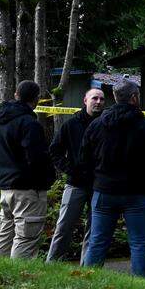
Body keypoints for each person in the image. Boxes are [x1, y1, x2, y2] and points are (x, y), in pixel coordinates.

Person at [79, 80, 145, 276]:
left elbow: (84, 159)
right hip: (137, 193)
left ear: (115, 98)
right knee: (139, 243)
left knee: (97, 241)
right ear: (134, 98)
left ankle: (87, 282)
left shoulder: (97, 125)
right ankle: (141, 286)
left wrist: (93, 184)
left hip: (104, 190)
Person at [0, 80, 54, 259]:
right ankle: (19, 276)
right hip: (28, 190)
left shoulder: (0, 122)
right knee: (26, 239)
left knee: (5, 235)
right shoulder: (29, 123)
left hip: (6, 187)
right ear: (36, 99)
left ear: (16, 95)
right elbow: (37, 158)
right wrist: (47, 178)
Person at [45, 87, 105, 262]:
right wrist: (69, 169)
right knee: (64, 225)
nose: (98, 102)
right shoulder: (71, 125)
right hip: (75, 183)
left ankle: (89, 267)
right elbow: (54, 150)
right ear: (85, 101)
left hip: (99, 185)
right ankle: (53, 263)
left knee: (94, 229)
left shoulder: (108, 124)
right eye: (94, 98)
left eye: (101, 99)